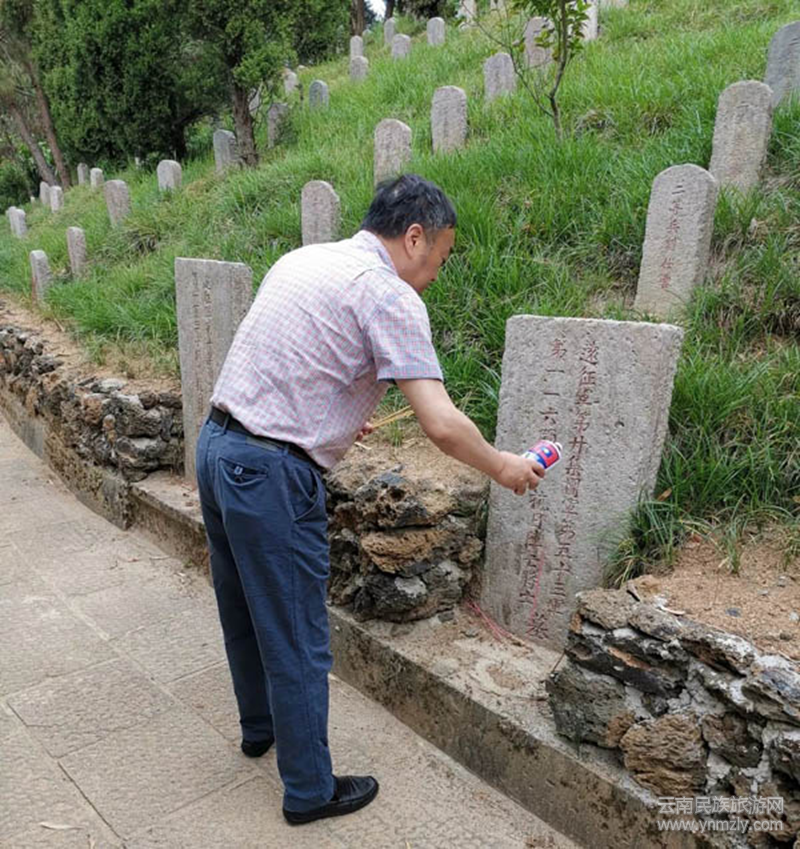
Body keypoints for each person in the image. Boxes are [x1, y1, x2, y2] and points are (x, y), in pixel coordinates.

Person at [195, 173, 545, 826]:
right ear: (414, 237)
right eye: (440, 257)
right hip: (268, 477)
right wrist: (504, 466)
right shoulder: (390, 295)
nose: (435, 275)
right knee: (297, 635)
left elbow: (295, 360)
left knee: (241, 606)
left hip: (217, 447)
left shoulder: (307, 259)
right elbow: (440, 423)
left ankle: (259, 728)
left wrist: (331, 417)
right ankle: (309, 790)